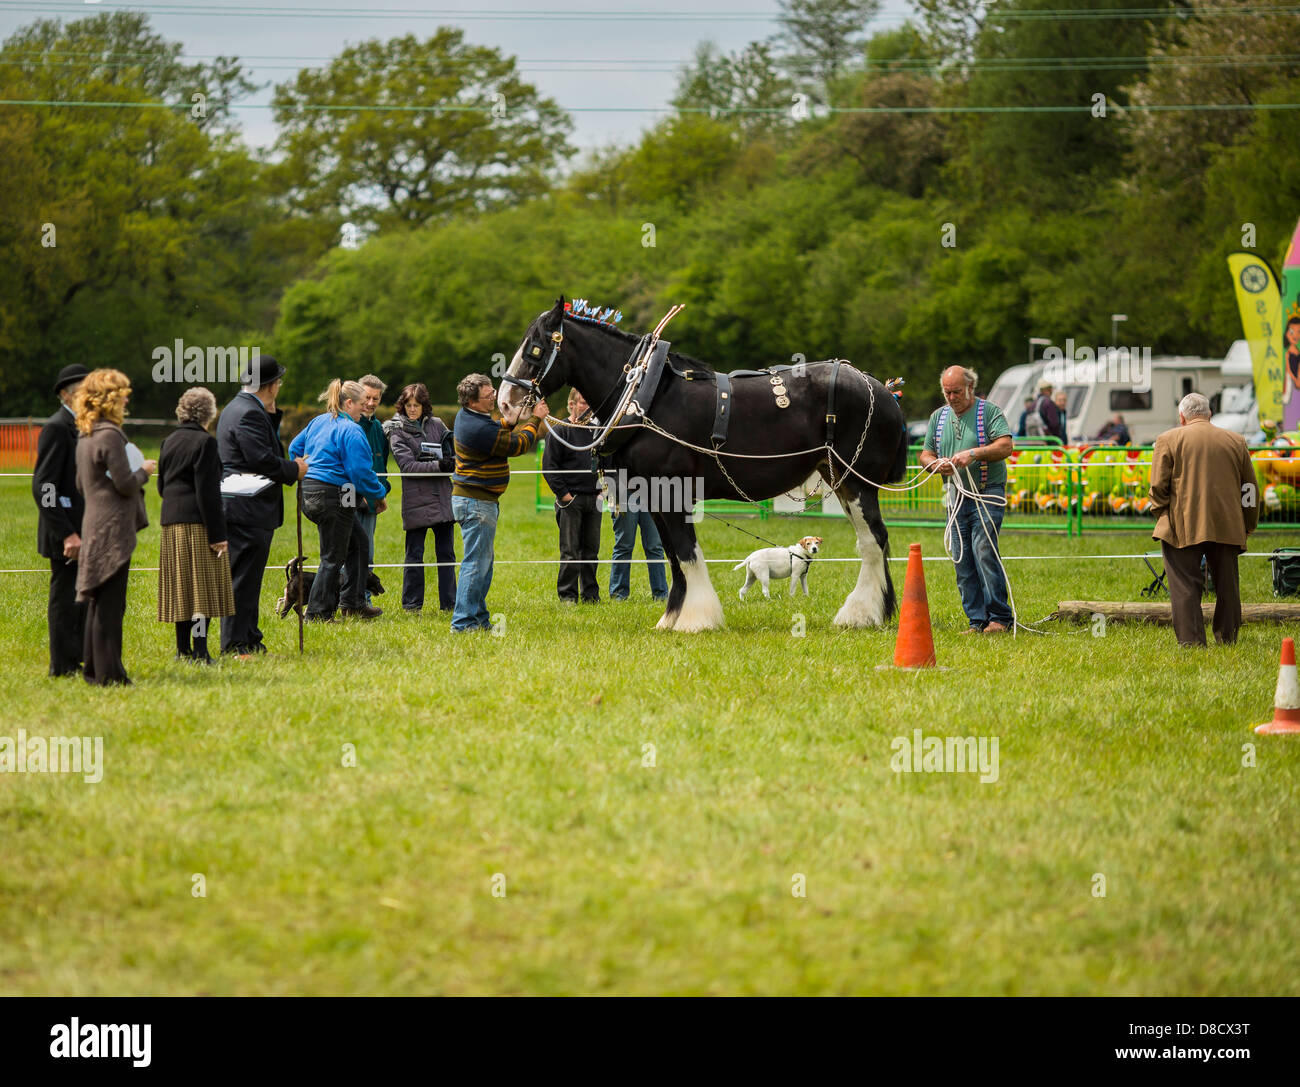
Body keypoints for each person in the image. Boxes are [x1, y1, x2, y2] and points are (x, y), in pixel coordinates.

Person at [1149, 392, 1259, 647]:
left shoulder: (1168, 439)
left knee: (1184, 585)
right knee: (1228, 588)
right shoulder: (1236, 440)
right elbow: (1250, 489)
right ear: (1209, 415)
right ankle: (1227, 639)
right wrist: (1248, 523)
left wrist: (1162, 513)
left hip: (1181, 524)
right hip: (1228, 524)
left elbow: (1157, 487)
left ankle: (1191, 642)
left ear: (1181, 417)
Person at [216, 355, 306, 656]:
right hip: (247, 506)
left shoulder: (239, 408)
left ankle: (250, 635)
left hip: (243, 505)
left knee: (249, 578)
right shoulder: (248, 413)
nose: (279, 387)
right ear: (270, 385)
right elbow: (259, 459)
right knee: (242, 580)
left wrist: (270, 413)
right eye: (278, 382)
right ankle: (236, 642)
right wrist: (294, 469)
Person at [73, 369, 157, 685]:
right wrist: (145, 470)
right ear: (109, 398)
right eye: (122, 393)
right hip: (112, 527)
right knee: (110, 607)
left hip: (94, 522)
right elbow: (124, 483)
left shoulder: (87, 434)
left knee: (99, 602)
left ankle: (94, 670)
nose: (126, 398)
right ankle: (110, 675)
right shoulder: (110, 435)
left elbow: (81, 484)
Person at [918, 365, 1015, 634]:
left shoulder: (990, 412)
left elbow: (1005, 446)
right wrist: (935, 464)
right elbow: (925, 454)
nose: (951, 397)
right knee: (961, 558)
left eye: (956, 391)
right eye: (947, 392)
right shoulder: (938, 418)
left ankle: (1000, 618)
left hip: (987, 492)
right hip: (955, 495)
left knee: (983, 550)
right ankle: (977, 620)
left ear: (970, 387)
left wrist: (973, 454)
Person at [450, 373, 549, 632]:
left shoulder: (471, 418)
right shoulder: (477, 426)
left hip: (477, 501)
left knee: (482, 564)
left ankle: (478, 617)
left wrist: (512, 420)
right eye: (487, 396)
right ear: (472, 401)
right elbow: (518, 445)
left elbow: (495, 429)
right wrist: (537, 418)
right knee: (475, 565)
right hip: (476, 502)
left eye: (492, 391)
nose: (494, 396)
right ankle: (462, 623)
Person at [289, 380, 388, 622]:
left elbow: (294, 448)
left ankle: (353, 602)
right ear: (349, 403)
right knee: (333, 556)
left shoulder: (319, 421)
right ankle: (317, 613)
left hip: (309, 491)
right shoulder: (351, 430)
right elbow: (360, 473)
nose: (367, 407)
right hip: (335, 494)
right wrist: (378, 494)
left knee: (359, 544)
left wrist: (310, 469)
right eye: (363, 403)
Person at [157, 388, 234, 664]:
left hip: (171, 522)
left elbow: (161, 485)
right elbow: (208, 493)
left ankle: (182, 650)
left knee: (182, 589)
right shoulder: (205, 443)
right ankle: (200, 650)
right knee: (203, 592)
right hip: (198, 523)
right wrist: (218, 534)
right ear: (209, 413)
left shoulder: (169, 441)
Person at [33, 363, 89, 676]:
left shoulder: (82, 425)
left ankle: (76, 657)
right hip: (65, 533)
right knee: (65, 599)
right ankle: (62, 665)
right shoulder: (57, 427)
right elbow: (45, 485)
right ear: (66, 394)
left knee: (79, 599)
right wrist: (67, 532)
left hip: (82, 528)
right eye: (83, 390)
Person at [383, 382, 456, 612]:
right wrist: (439, 465)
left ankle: (450, 603)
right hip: (416, 500)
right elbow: (407, 466)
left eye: (417, 405)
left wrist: (450, 460)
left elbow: (451, 453)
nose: (412, 409)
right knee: (414, 554)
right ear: (402, 406)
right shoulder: (396, 430)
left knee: (447, 554)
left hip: (443, 496)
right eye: (408, 405)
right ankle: (412, 604)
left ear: (425, 405)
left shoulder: (437, 424)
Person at [542, 389, 602, 603]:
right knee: (570, 551)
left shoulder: (598, 432)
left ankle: (591, 595)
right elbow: (549, 467)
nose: (587, 407)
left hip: (595, 500)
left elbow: (608, 463)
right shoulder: (560, 431)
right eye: (583, 403)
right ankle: (567, 595)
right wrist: (565, 495)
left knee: (592, 551)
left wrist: (603, 491)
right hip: (571, 501)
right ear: (572, 404)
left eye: (589, 403)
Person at [340, 374, 391, 610]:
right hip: (348, 496)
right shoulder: (348, 424)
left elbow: (381, 463)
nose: (371, 403)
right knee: (345, 549)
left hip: (371, 499)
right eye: (367, 398)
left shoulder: (378, 427)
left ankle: (363, 598)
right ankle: (344, 597)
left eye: (376, 399)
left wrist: (383, 490)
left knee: (367, 549)